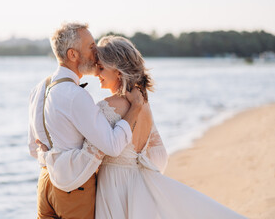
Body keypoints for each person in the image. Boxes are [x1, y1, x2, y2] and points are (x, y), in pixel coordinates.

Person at [37, 35, 247, 219]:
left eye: (101, 68)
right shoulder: (144, 106)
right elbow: (159, 155)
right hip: (138, 185)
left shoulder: (105, 108)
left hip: (113, 187)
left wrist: (48, 155)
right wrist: (143, 176)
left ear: (117, 71)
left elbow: (85, 151)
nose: (97, 73)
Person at [28, 23, 144, 219]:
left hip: (45, 184)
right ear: (73, 55)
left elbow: (33, 148)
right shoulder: (75, 95)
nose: (96, 52)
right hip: (73, 189)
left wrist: (51, 157)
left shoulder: (39, 89)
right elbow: (113, 146)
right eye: (91, 46)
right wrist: (135, 109)